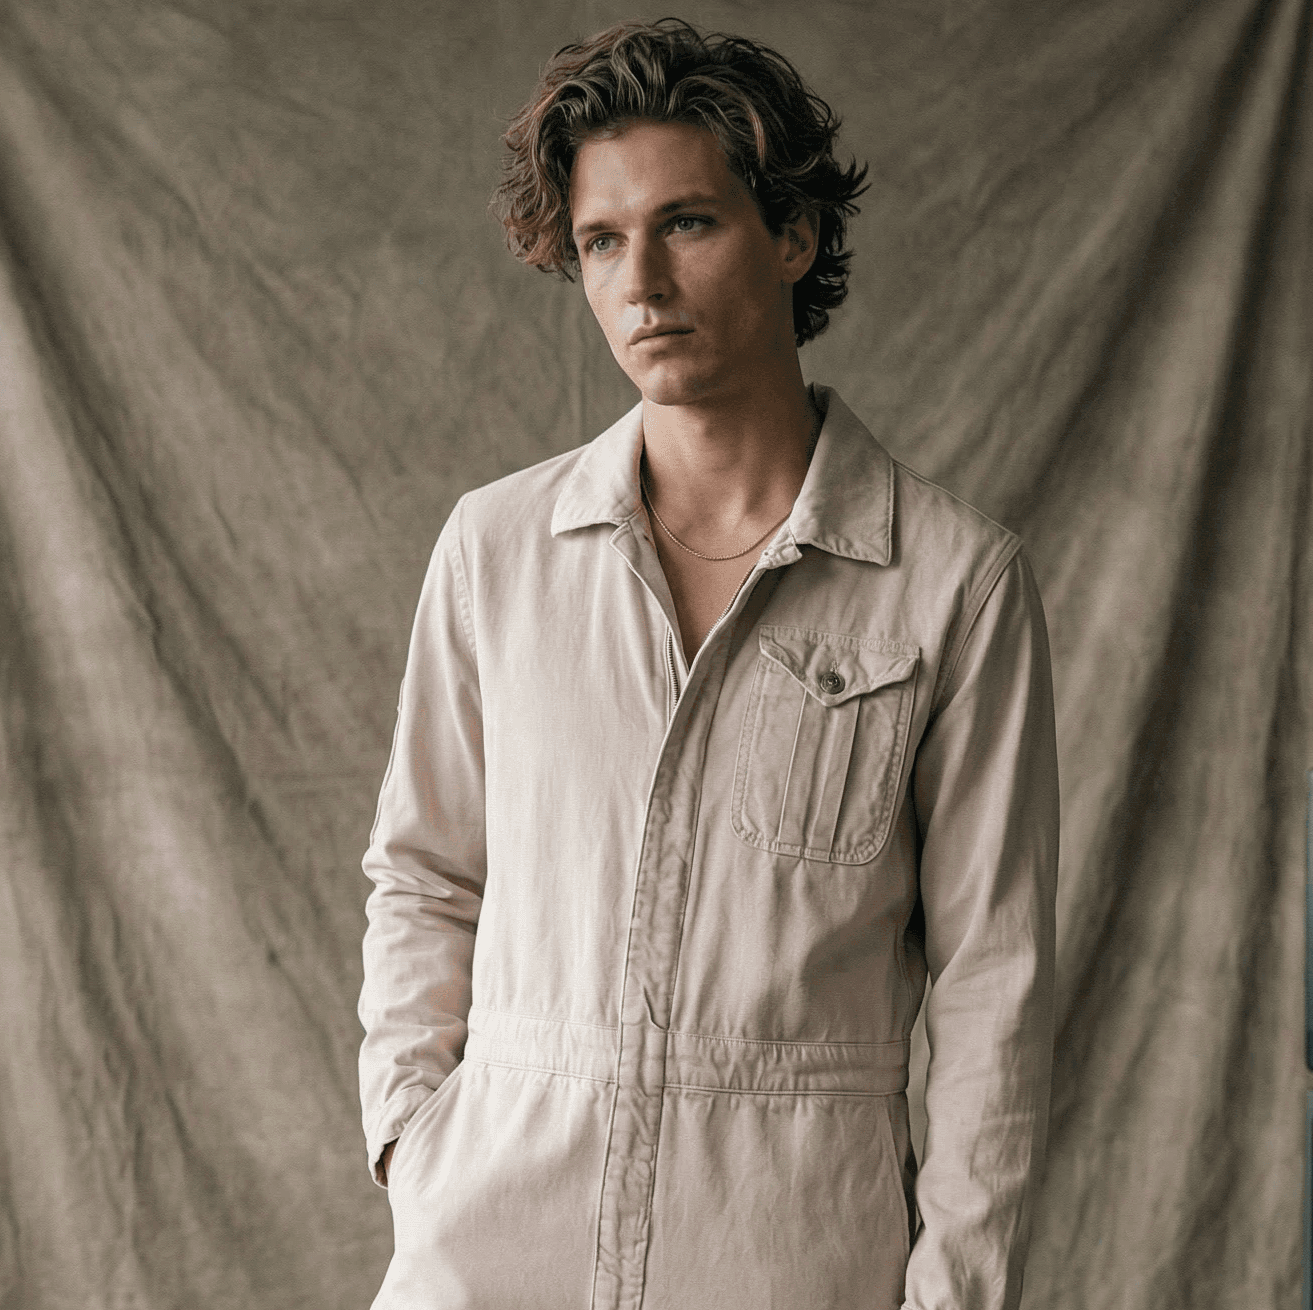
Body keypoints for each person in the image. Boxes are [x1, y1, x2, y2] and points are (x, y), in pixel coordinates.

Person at [356, 19, 1057, 1310]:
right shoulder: (497, 549)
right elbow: (426, 873)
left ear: (792, 235)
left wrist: (954, 1293)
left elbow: (991, 984)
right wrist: (413, 1139)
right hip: (490, 1246)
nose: (641, 283)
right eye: (601, 241)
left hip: (788, 1253)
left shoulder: (953, 584)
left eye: (686, 223)